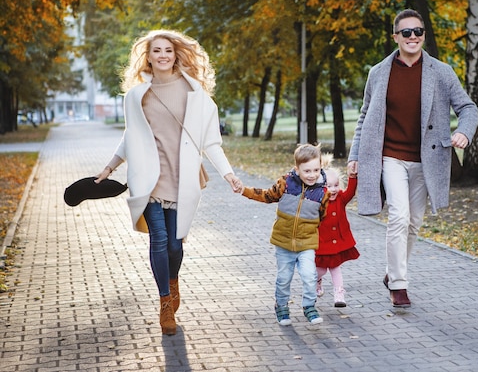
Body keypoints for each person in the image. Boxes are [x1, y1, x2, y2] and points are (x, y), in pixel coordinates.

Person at [95, 29, 243, 335]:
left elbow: (211, 142)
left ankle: (172, 281)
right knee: (159, 239)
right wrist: (109, 168)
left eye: (168, 51)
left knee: (175, 245)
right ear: (147, 57)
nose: (162, 56)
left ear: (176, 55)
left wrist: (228, 173)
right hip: (148, 178)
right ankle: (165, 301)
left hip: (181, 178)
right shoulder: (136, 95)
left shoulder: (196, 94)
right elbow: (130, 135)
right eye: (156, 51)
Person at [347, 9, 478, 308]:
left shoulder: (441, 72)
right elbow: (365, 115)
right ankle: (399, 284)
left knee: (415, 223)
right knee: (399, 216)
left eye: (418, 31)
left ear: (423, 35)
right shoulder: (378, 72)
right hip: (389, 157)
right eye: (406, 32)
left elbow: (468, 108)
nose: (413, 37)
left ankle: (392, 271)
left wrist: (464, 133)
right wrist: (355, 154)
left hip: (426, 160)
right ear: (395, 37)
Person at [240, 144, 330, 326]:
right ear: (297, 169)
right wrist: (244, 190)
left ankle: (309, 306)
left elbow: (322, 216)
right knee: (284, 278)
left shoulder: (322, 193)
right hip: (283, 243)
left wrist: (310, 231)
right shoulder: (286, 184)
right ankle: (281, 306)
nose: (312, 175)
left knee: (309, 275)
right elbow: (267, 196)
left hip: (306, 244)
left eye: (316, 170)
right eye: (307, 171)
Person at [315, 166, 359, 308]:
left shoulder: (341, 198)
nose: (333, 189)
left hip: (336, 244)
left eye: (336, 185)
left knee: (335, 268)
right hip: (322, 243)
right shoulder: (318, 202)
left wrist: (352, 177)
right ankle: (317, 281)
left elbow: (351, 192)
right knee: (320, 269)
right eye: (329, 186)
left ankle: (339, 294)